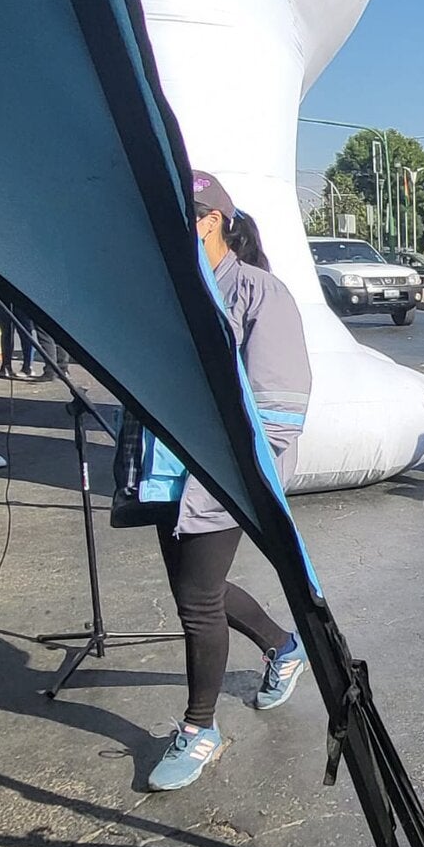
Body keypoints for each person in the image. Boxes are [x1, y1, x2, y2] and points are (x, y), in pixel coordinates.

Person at [145, 171, 313, 792]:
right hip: (165, 470)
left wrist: (242, 474)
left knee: (195, 602)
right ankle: (282, 647)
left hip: (219, 475)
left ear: (213, 219)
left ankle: (199, 729)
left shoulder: (259, 293)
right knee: (201, 591)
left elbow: (281, 406)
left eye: (184, 216)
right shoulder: (172, 289)